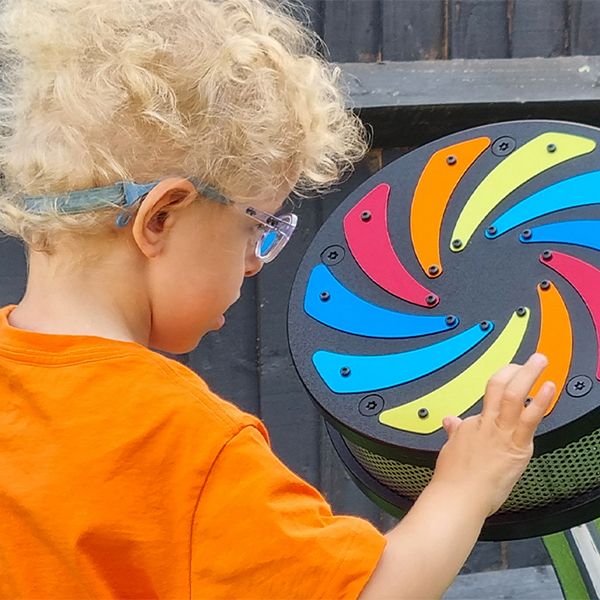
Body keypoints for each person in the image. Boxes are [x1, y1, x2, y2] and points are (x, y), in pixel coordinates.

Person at [0, 0, 554, 598]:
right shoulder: (181, 440)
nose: (254, 261)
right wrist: (468, 484)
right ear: (160, 218)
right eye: (255, 225)